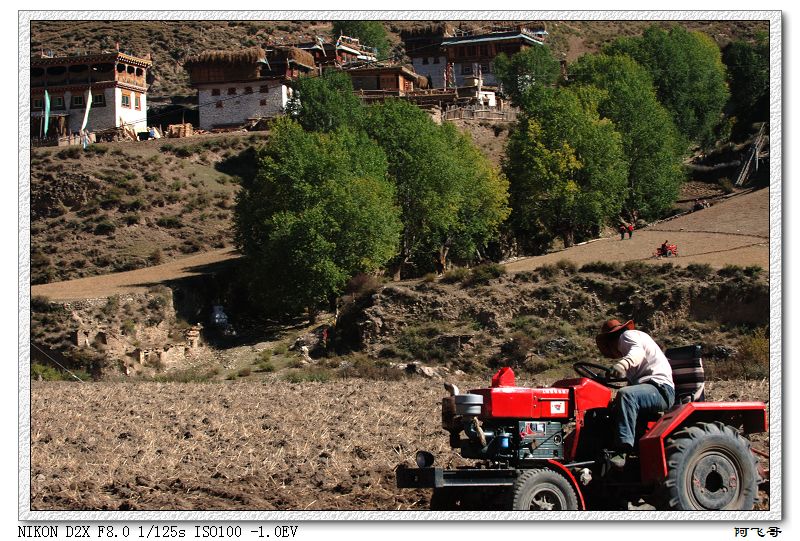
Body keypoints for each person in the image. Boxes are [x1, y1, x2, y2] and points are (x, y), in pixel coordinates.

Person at [595, 319, 675, 469]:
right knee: (612, 407)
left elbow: (637, 353)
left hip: (660, 389)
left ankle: (623, 449)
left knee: (626, 395)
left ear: (610, 341)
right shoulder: (632, 344)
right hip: (651, 388)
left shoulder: (626, 336)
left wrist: (622, 364)